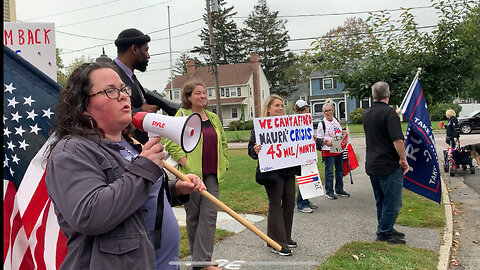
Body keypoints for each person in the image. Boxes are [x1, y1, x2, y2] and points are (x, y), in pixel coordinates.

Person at [45, 62, 206, 270]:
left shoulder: (129, 142)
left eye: (123, 89)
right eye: (110, 91)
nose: (122, 96)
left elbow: (137, 195)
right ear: (83, 106)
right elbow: (90, 214)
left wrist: (174, 189)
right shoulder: (72, 152)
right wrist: (145, 168)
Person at [165, 79, 228, 270]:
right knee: (193, 217)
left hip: (212, 174)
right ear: (188, 97)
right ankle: (200, 260)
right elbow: (170, 141)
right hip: (190, 175)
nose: (203, 96)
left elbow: (223, 142)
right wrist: (185, 162)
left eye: (204, 93)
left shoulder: (213, 118)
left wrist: (224, 160)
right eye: (198, 93)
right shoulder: (183, 115)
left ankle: (202, 260)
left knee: (209, 215)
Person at [248, 95, 298, 256]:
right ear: (268, 108)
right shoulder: (260, 127)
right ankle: (277, 242)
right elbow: (251, 150)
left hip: (288, 170)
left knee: (290, 202)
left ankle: (285, 236)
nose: (280, 108)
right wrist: (255, 150)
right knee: (276, 203)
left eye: (282, 105)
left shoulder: (289, 125)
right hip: (272, 172)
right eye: (277, 105)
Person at [362, 81, 409, 245]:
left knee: (381, 200)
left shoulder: (367, 113)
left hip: (372, 164)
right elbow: (397, 140)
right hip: (388, 165)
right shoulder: (390, 114)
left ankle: (386, 227)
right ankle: (383, 233)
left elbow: (379, 129)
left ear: (373, 96)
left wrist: (392, 115)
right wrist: (403, 159)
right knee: (394, 202)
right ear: (388, 95)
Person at [113, 28, 173, 144]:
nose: (148, 56)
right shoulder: (112, 74)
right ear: (134, 49)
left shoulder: (130, 76)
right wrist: (141, 111)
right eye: (146, 50)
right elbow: (110, 115)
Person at [316, 100, 350, 200]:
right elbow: (319, 138)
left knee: (340, 170)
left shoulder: (336, 121)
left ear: (333, 110)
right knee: (329, 171)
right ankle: (329, 191)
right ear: (323, 112)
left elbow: (338, 132)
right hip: (328, 150)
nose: (328, 112)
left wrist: (344, 133)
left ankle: (339, 189)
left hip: (338, 148)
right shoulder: (322, 124)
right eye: (326, 111)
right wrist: (326, 142)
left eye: (330, 110)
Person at [293, 100, 319, 213]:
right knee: (303, 179)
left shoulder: (306, 121)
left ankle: (306, 201)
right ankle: (301, 204)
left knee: (308, 177)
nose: (307, 110)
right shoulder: (295, 121)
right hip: (300, 154)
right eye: (306, 108)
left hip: (307, 153)